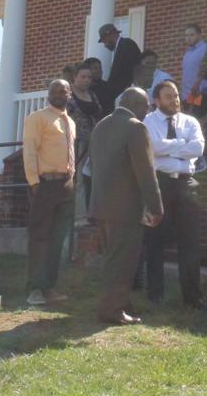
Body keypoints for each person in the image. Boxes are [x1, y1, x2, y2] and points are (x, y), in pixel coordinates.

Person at [88, 86, 164, 325]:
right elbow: (145, 172)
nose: (148, 110)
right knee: (122, 262)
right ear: (137, 105)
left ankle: (116, 303)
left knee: (112, 259)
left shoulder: (101, 125)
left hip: (101, 205)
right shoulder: (135, 127)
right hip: (126, 208)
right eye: (147, 106)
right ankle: (111, 311)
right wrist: (156, 206)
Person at [143, 80, 207, 308]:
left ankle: (193, 297)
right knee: (155, 240)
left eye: (177, 95)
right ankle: (155, 295)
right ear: (157, 100)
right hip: (160, 184)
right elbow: (153, 147)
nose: (175, 100)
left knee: (190, 241)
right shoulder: (148, 122)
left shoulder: (190, 121)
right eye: (169, 96)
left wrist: (168, 147)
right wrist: (182, 147)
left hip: (186, 184)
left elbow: (198, 149)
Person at [22, 79, 77, 307]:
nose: (59, 94)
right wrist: (34, 182)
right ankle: (34, 289)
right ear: (48, 94)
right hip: (45, 184)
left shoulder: (71, 122)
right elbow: (30, 151)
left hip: (66, 186)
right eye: (54, 91)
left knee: (58, 239)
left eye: (63, 91)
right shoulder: (37, 118)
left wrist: (72, 180)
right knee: (40, 237)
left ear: (70, 95)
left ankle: (50, 286)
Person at [69, 61, 104, 215]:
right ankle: (79, 215)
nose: (86, 80)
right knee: (79, 179)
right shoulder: (68, 95)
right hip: (76, 142)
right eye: (83, 77)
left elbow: (99, 113)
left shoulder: (92, 95)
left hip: (94, 141)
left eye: (89, 77)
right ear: (75, 77)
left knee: (94, 177)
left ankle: (94, 212)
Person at [98, 23, 142, 112]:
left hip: (128, 93)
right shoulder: (118, 49)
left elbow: (136, 67)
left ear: (109, 35)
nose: (105, 45)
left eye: (104, 41)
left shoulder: (127, 44)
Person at [181, 23, 207, 117]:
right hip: (188, 96)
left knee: (197, 120)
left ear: (199, 35)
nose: (188, 38)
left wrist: (200, 90)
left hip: (200, 93)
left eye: (192, 35)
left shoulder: (205, 49)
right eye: (186, 35)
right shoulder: (187, 53)